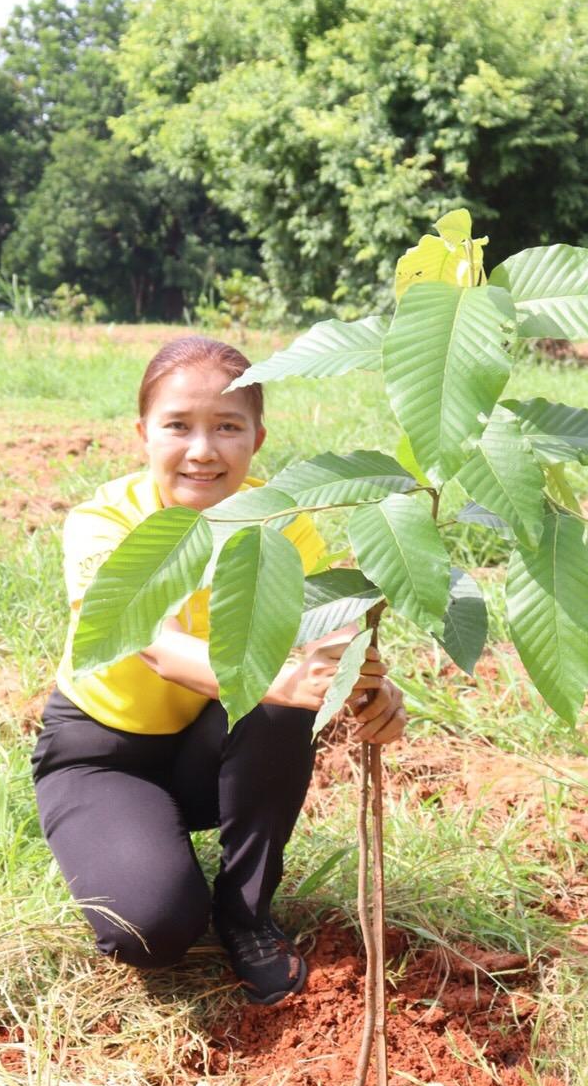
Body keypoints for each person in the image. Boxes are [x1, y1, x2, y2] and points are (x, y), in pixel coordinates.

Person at [32, 335, 407, 1005]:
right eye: (179, 426)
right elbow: (153, 645)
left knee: (281, 699)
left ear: (258, 438)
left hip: (210, 746)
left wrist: (372, 687)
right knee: (150, 930)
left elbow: (330, 642)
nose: (203, 450)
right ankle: (139, 841)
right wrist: (290, 681)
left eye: (227, 427)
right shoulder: (104, 524)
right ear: (143, 433)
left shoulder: (282, 522)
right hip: (103, 755)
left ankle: (246, 910)